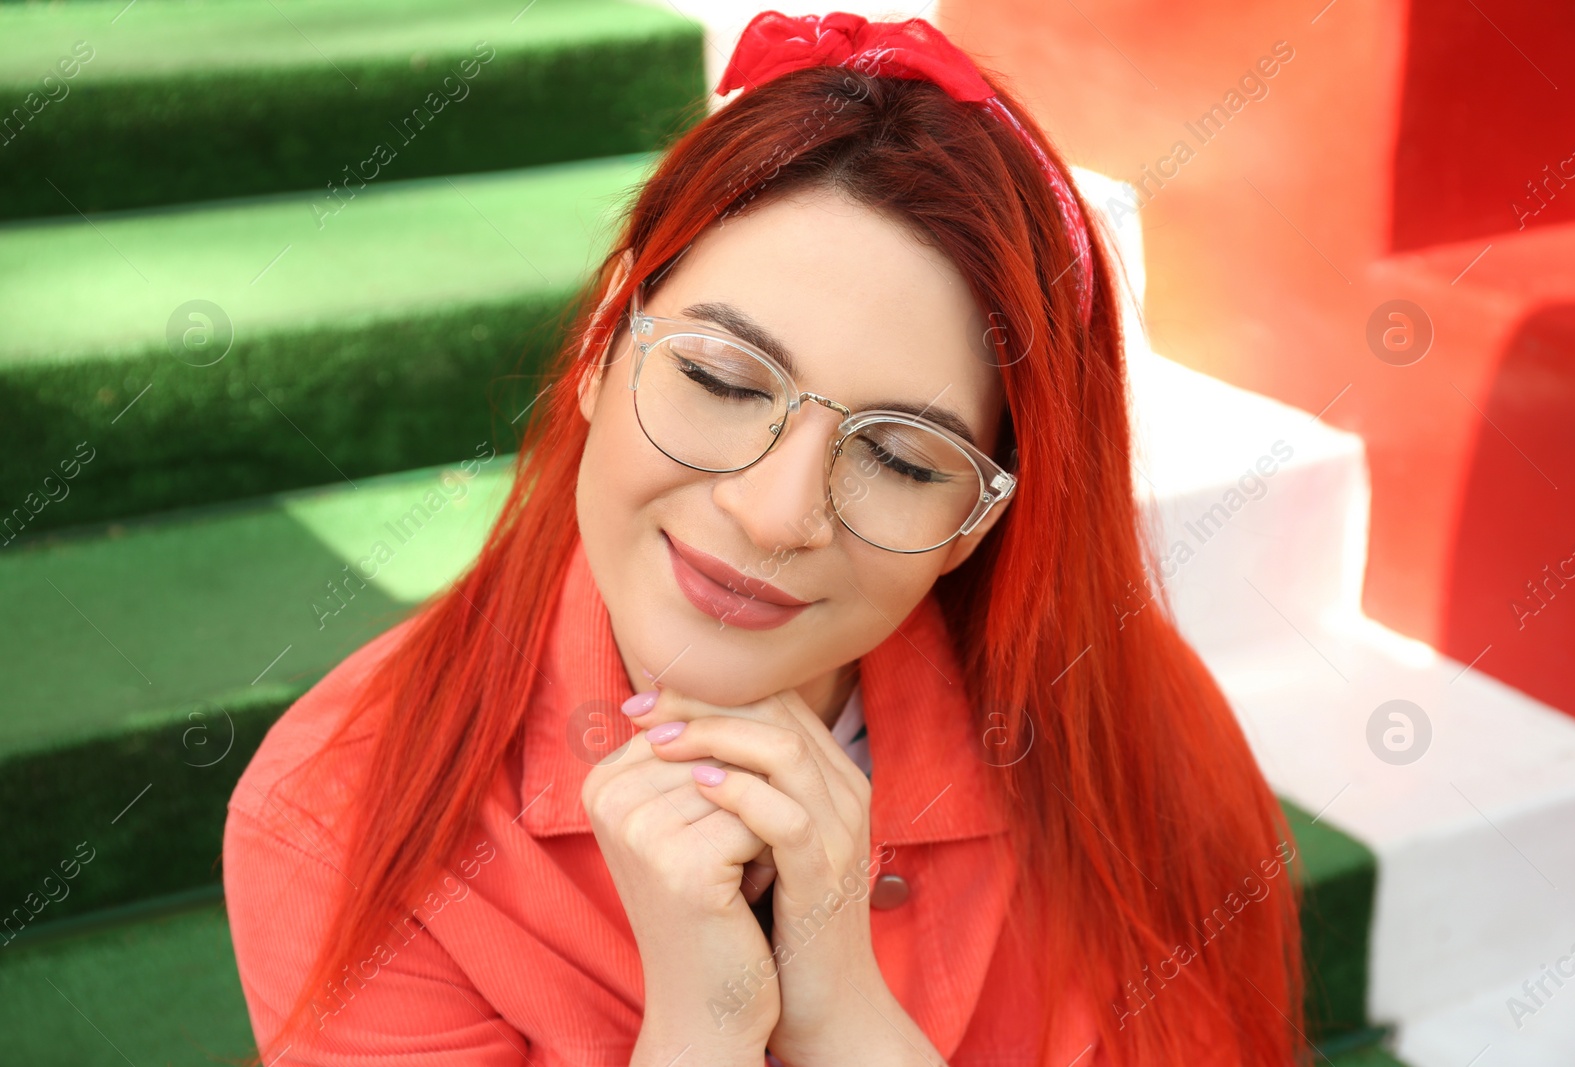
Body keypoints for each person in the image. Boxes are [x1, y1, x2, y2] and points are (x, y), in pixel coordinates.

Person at [222, 11, 1305, 1066]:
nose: (777, 512)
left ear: (978, 522)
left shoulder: (1121, 731)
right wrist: (701, 1030)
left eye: (903, 459)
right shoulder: (338, 814)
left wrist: (845, 1023)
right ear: (604, 343)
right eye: (720, 379)